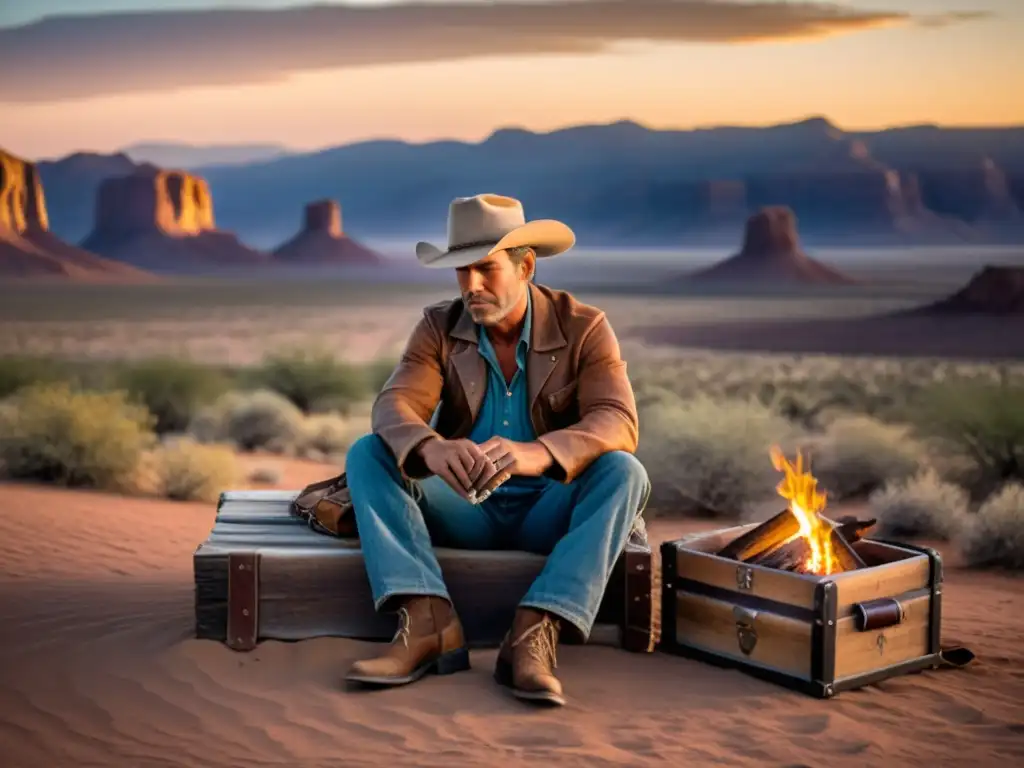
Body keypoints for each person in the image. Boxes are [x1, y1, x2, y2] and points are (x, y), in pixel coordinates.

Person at [343, 193, 649, 707]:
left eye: (485, 270)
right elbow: (395, 405)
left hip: (548, 508)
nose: (471, 286)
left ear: (525, 265)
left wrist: (540, 454)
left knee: (626, 473)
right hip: (464, 507)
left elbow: (617, 420)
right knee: (368, 453)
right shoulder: (438, 326)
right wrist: (432, 447)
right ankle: (427, 623)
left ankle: (534, 633)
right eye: (461, 272)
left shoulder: (584, 327)